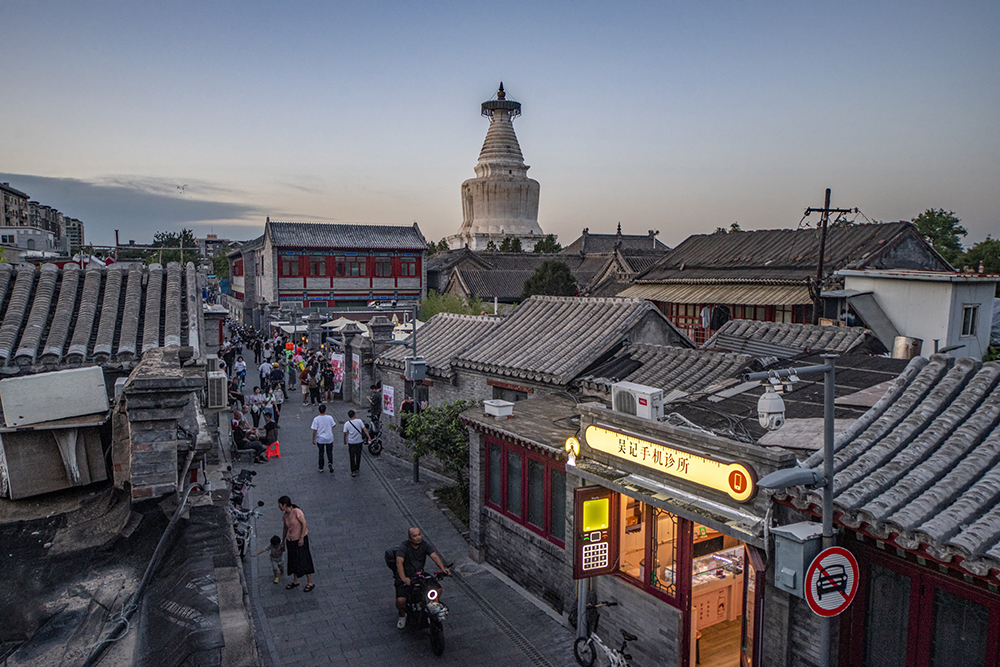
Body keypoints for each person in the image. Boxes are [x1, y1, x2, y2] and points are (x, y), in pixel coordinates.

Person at [394, 527, 450, 629]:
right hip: (407, 576)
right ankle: (402, 615)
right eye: (415, 536)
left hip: (420, 574)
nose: (418, 537)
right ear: (409, 538)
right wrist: (404, 578)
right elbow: (399, 562)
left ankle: (432, 606)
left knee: (438, 589)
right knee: (401, 601)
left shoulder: (424, 544)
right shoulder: (404, 546)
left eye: (419, 534)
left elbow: (434, 556)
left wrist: (443, 569)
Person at [278, 496, 315, 592]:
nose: (279, 507)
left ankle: (310, 581)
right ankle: (295, 580)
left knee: (304, 559)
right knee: (293, 560)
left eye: (280, 505)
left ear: (284, 505)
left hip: (300, 539)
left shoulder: (297, 512)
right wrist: (283, 541)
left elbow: (304, 524)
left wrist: (301, 537)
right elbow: (285, 528)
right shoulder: (285, 515)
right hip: (290, 540)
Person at [343, 409, 369, 477]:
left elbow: (345, 433)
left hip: (351, 442)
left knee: (352, 456)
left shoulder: (347, 424)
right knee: (358, 455)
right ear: (354, 414)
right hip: (359, 441)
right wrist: (369, 437)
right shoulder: (359, 421)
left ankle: (353, 470)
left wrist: (345, 440)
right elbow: (365, 429)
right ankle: (357, 467)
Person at [311, 404, 336, 473]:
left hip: (320, 439)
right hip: (329, 438)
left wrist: (313, 439)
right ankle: (330, 462)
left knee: (321, 453)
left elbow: (314, 430)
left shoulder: (316, 419)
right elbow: (334, 425)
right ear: (325, 410)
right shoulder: (329, 417)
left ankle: (321, 467)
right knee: (329, 452)